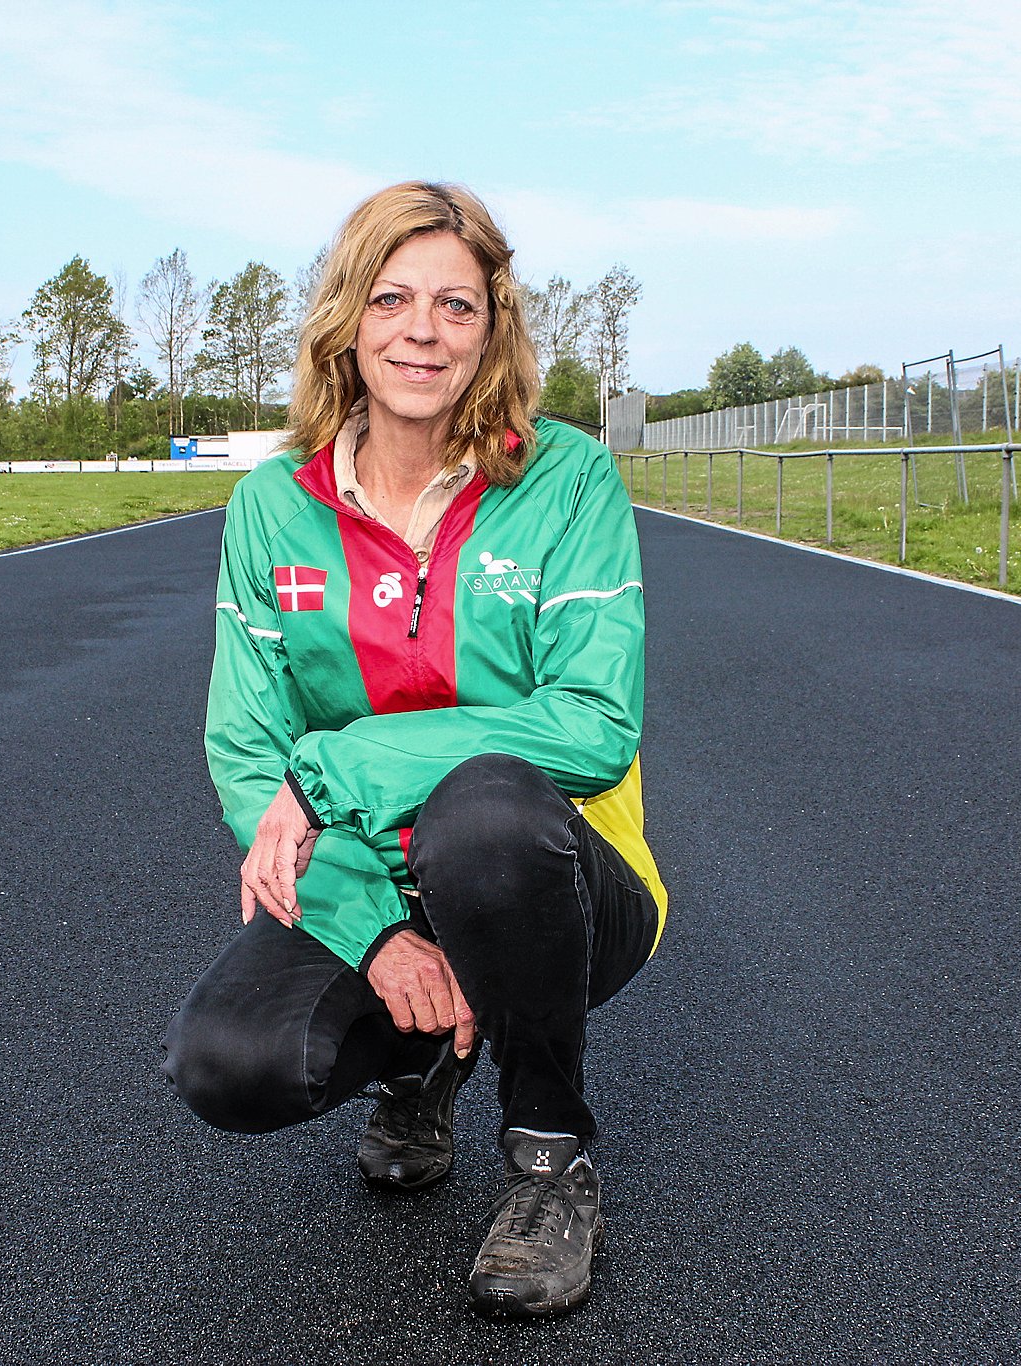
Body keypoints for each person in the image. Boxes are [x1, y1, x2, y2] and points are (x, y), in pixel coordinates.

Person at [162, 181, 668, 1320]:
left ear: (491, 327)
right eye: (391, 298)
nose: (421, 331)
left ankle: (551, 1162)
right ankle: (421, 1059)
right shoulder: (269, 507)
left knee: (481, 811)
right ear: (346, 317)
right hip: (373, 885)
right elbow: (249, 755)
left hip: (562, 877)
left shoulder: (566, 478)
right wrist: (375, 929)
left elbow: (592, 723)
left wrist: (340, 766)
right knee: (229, 1061)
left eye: (454, 304)